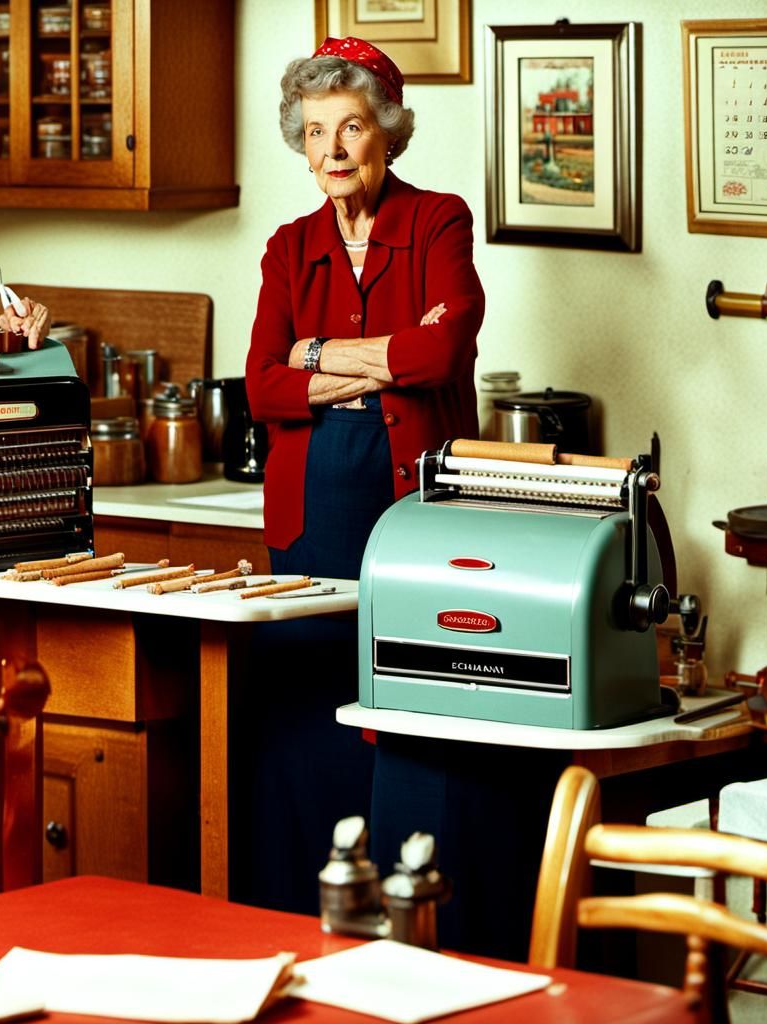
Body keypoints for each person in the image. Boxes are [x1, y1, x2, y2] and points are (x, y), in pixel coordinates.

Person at [236, 37, 486, 918]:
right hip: (309, 515)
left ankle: (408, 916)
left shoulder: (439, 221)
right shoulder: (286, 246)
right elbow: (263, 382)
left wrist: (319, 357)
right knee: (303, 715)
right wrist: (385, 359)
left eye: (349, 127)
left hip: (415, 508)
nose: (332, 150)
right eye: (314, 134)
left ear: (387, 132)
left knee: (407, 716)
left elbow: (444, 349)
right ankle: (292, 914)